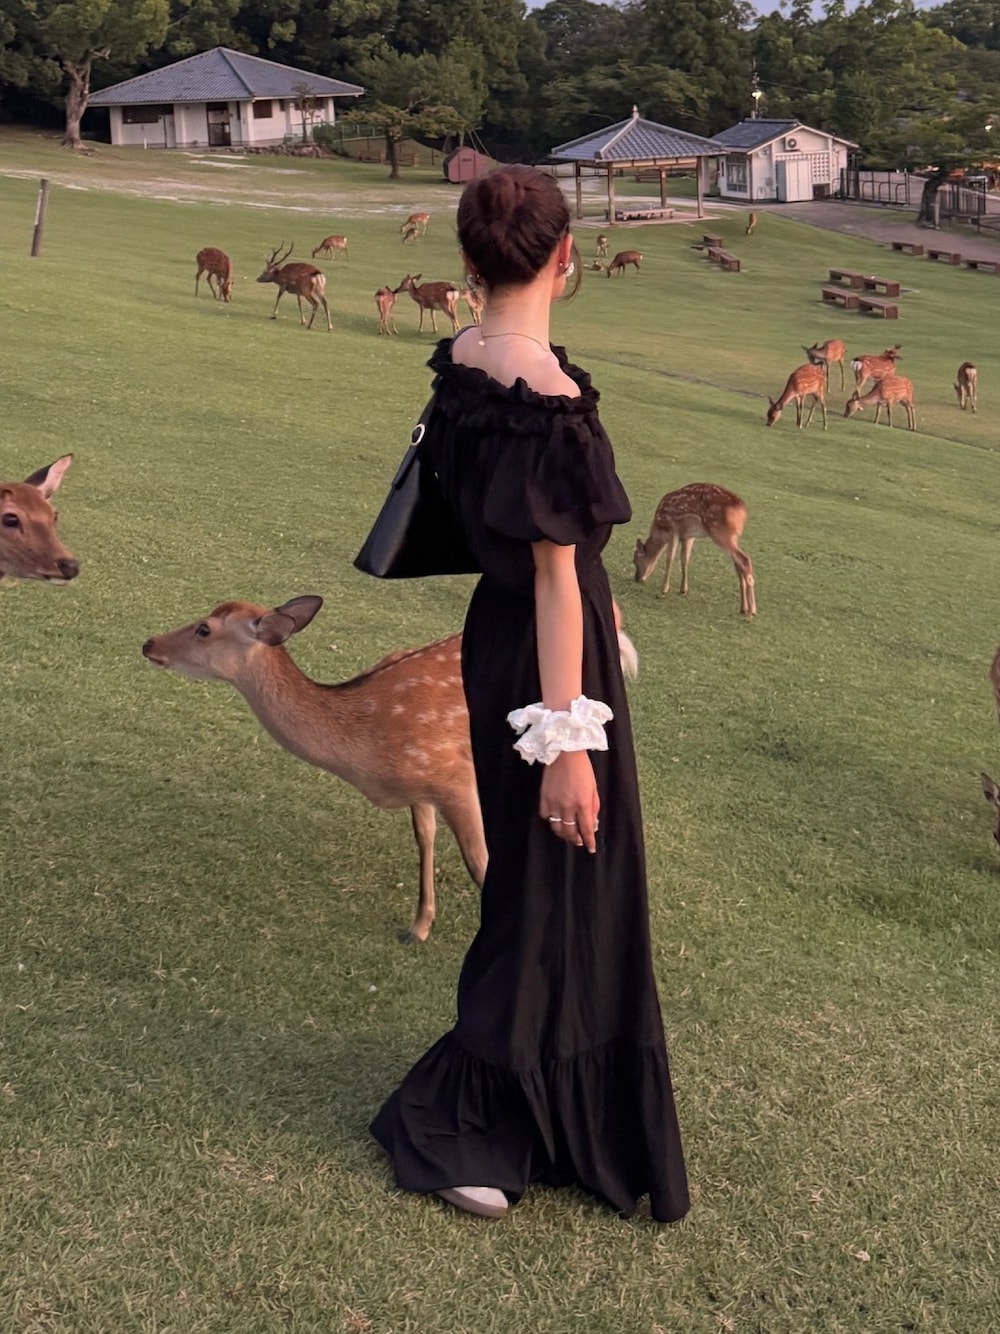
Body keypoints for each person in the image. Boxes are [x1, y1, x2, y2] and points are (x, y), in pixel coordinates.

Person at [371, 165, 690, 1224]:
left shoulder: (466, 361)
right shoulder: (545, 402)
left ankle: (542, 1100)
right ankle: (469, 1115)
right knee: (556, 883)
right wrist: (566, 744)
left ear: (468, 259)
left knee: (546, 880)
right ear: (567, 254)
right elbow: (556, 577)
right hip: (550, 663)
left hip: (501, 638)